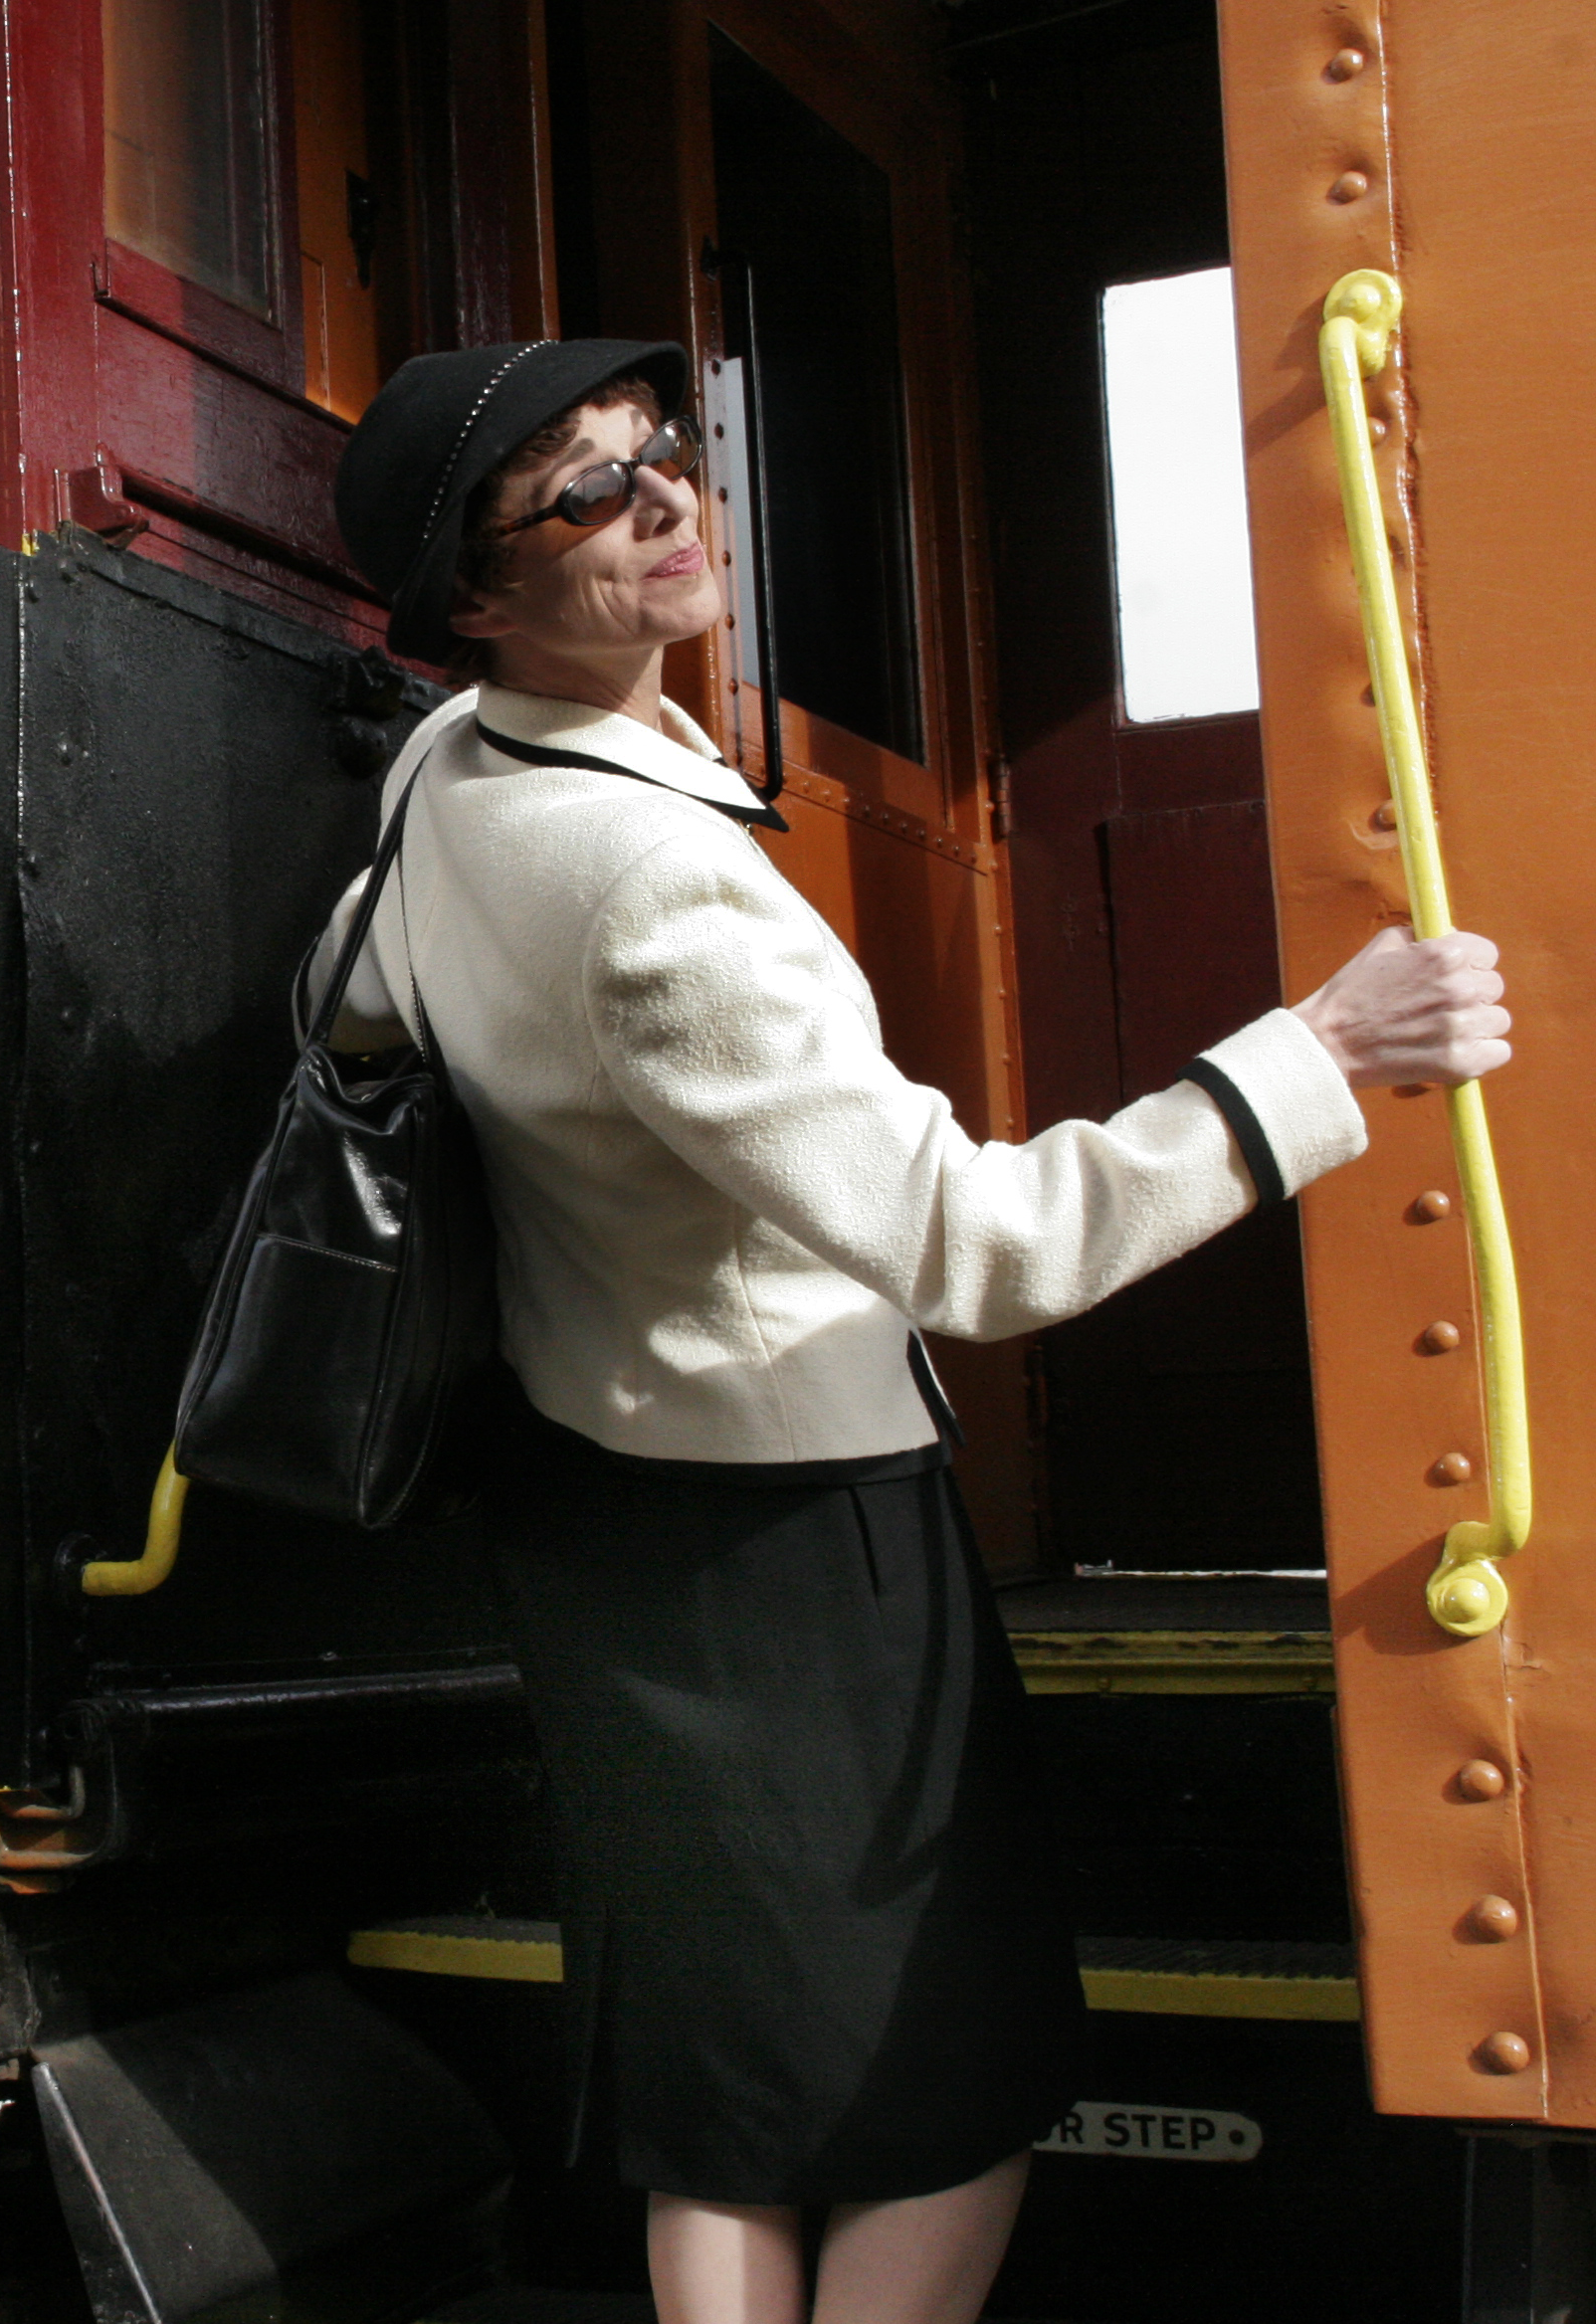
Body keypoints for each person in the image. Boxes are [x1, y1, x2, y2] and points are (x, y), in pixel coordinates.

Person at [314, 340, 1508, 2324]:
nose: (667, 501)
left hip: (606, 1509)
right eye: (587, 497)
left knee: (731, 2097)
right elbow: (984, 1247)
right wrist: (1323, 1053)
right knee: (952, 2083)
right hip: (793, 1548)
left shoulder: (450, 772)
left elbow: (348, 987)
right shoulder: (642, 885)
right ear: (479, 601)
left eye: (659, 454)